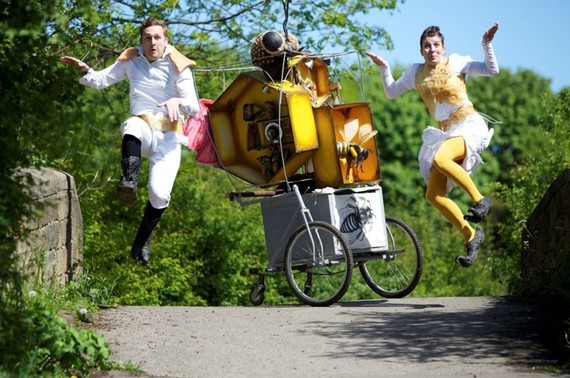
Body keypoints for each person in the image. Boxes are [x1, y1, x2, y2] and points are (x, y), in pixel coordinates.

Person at [61, 17, 200, 266]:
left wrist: (176, 102)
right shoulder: (131, 60)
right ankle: (129, 181)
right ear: (141, 41)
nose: (152, 42)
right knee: (132, 125)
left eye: (157, 37)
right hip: (144, 127)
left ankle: (141, 241)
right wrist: (84, 70)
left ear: (166, 40)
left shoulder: (178, 65)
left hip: (168, 137)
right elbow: (102, 80)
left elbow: (194, 105)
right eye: (147, 38)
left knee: (159, 195)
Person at [366, 23, 499, 267]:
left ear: (443, 47)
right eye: (427, 46)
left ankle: (480, 200)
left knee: (440, 158)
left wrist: (486, 45)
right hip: (448, 132)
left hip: (469, 125)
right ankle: (471, 235)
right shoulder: (416, 73)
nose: (432, 49)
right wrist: (385, 68)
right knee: (433, 194)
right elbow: (391, 92)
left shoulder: (457, 62)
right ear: (421, 51)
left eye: (436, 45)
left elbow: (492, 70)